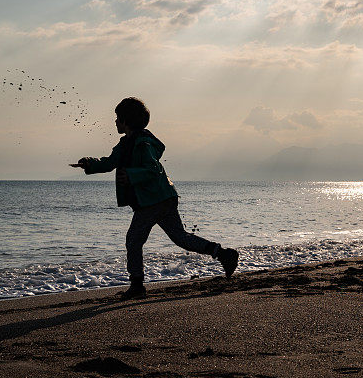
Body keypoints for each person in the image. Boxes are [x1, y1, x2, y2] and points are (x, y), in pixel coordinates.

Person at [72, 97, 239, 300]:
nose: (115, 122)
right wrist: (89, 163)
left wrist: (132, 175)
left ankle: (137, 286)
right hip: (162, 198)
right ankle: (223, 254)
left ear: (126, 120)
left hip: (153, 200)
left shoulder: (143, 143)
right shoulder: (126, 144)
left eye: (117, 118)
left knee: (134, 240)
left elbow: (153, 169)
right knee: (181, 238)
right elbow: (109, 163)